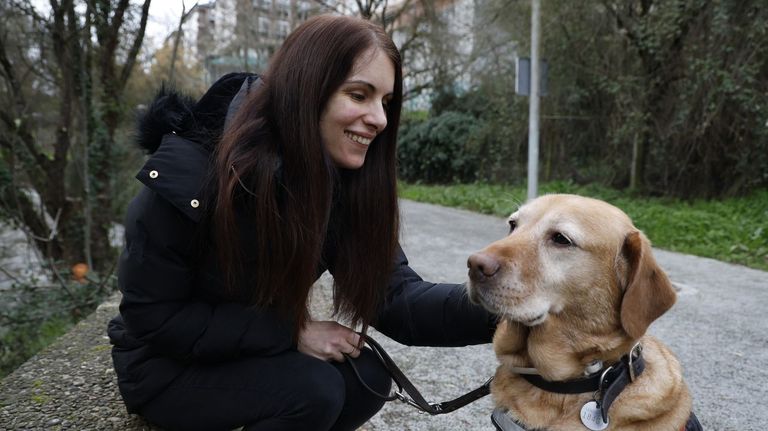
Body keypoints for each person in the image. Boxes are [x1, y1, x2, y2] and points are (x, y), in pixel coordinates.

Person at [108, 14, 496, 431]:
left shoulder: (337, 186)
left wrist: (516, 305)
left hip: (244, 349)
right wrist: (291, 332)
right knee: (314, 391)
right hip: (165, 368)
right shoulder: (189, 175)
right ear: (306, 90)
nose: (379, 119)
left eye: (385, 102)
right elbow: (154, 320)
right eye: (359, 94)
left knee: (367, 378)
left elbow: (398, 300)